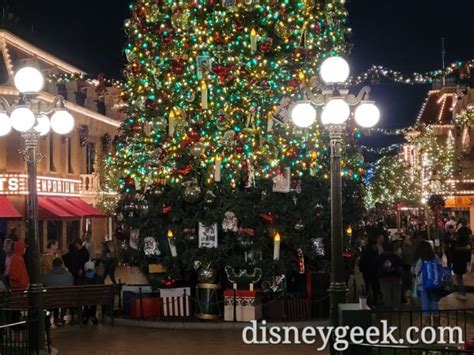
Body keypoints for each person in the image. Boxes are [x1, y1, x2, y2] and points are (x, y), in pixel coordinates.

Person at [412, 240, 441, 326]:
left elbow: (416, 271)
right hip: (434, 283)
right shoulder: (435, 257)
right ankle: (436, 320)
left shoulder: (421, 259)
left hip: (422, 285)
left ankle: (426, 321)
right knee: (434, 301)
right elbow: (440, 266)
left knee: (425, 303)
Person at [43, 258, 74, 327]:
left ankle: (49, 320)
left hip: (51, 300)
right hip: (66, 300)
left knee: (52, 298)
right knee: (64, 297)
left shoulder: (47, 276)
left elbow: (43, 285)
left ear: (53, 265)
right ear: (62, 265)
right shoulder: (68, 275)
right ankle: (61, 318)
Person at [377, 242, 403, 309]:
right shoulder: (396, 257)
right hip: (396, 278)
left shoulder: (380, 257)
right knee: (396, 294)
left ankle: (388, 309)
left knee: (386, 294)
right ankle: (396, 308)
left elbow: (378, 267)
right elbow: (400, 267)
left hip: (384, 278)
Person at [77, 261, 103, 325]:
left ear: (85, 268)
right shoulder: (99, 278)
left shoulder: (81, 279)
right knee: (94, 297)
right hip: (96, 299)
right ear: (94, 268)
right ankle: (93, 315)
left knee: (85, 297)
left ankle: (86, 315)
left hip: (84, 299)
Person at [359, 236, 381, 307]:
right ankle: (371, 303)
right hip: (370, 272)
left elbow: (361, 262)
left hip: (370, 272)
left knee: (372, 288)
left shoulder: (366, 251)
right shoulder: (372, 252)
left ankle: (372, 302)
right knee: (371, 288)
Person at [453, 219, 471, 301]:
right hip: (465, 258)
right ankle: (462, 293)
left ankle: (462, 293)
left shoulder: (459, 233)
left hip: (458, 258)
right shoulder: (468, 233)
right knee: (460, 277)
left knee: (459, 277)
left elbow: (455, 247)